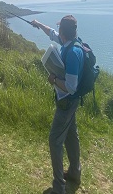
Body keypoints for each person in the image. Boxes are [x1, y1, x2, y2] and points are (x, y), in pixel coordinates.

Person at [31, 15, 84, 194]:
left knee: (55, 141)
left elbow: (71, 86)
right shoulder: (72, 43)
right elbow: (52, 34)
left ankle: (59, 187)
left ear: (64, 32)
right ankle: (75, 174)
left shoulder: (73, 54)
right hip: (71, 103)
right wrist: (38, 24)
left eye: (59, 28)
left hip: (66, 103)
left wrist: (53, 78)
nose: (57, 31)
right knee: (71, 135)